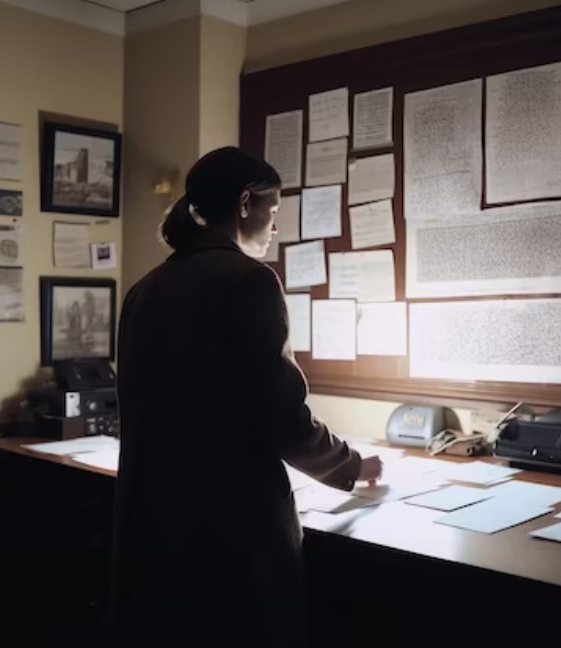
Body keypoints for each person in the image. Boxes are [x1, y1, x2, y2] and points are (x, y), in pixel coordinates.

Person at [109, 146, 383, 647]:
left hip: (154, 518)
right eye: (272, 211)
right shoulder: (250, 281)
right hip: (230, 526)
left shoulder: (147, 287)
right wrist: (350, 464)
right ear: (243, 204)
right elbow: (280, 415)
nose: (274, 226)